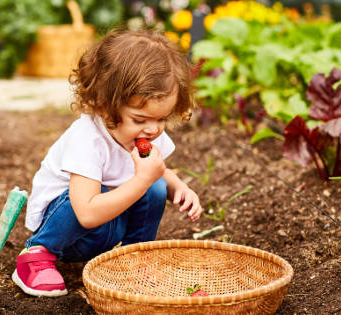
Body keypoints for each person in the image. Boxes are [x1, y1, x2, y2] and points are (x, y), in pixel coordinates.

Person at [12, 29, 203, 297]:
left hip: (109, 224)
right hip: (70, 234)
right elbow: (87, 213)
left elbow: (155, 172)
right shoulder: (87, 139)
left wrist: (177, 186)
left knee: (157, 186)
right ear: (104, 105)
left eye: (161, 119)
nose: (154, 130)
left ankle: (135, 259)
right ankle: (37, 255)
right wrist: (143, 179)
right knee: (112, 189)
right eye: (140, 120)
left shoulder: (146, 133)